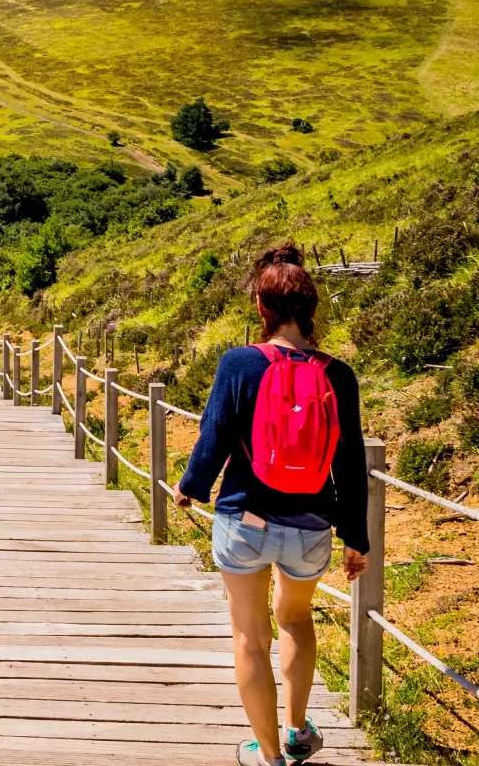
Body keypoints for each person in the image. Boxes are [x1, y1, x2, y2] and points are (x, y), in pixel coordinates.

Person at [172, 243, 369, 766]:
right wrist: (357, 537)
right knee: (295, 621)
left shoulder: (239, 363)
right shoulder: (338, 375)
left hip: (245, 520)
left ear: (261, 307)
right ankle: (297, 731)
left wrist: (190, 486)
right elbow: (350, 465)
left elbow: (213, 436)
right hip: (310, 525)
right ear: (312, 307)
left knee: (249, 635)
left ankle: (267, 756)